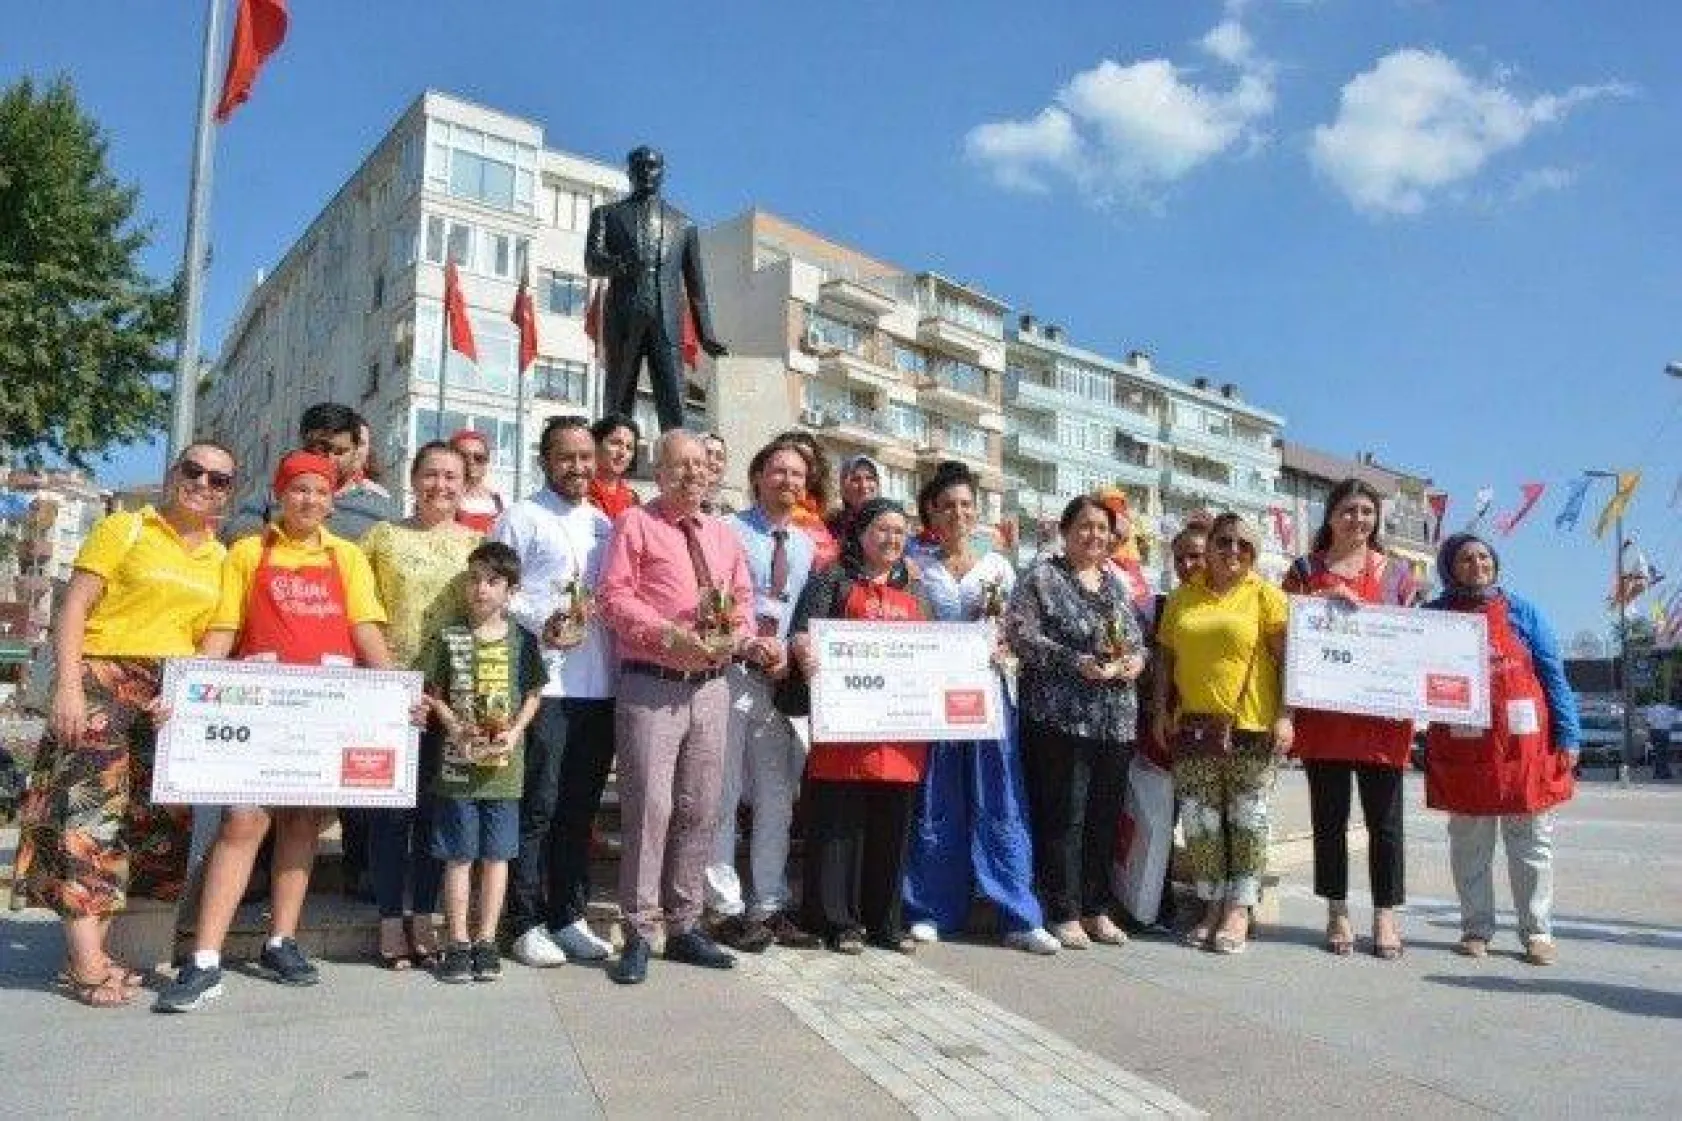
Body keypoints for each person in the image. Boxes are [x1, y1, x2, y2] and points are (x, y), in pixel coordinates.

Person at [155, 451, 395, 1013]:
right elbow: (224, 629)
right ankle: (205, 958)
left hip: (321, 715)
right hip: (258, 712)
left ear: (332, 501)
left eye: (320, 491)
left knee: (302, 821)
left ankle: (281, 940)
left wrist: (398, 692)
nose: (310, 500)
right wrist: (185, 689)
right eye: (299, 489)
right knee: (243, 822)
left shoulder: (347, 557)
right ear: (280, 494)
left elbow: (365, 629)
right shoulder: (247, 552)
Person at [15, 443, 237, 1007]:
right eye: (194, 471)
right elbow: (74, 608)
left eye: (218, 480)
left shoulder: (222, 559)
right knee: (85, 818)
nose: (204, 484)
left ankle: (91, 953)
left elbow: (218, 638)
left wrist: (184, 693)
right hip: (100, 679)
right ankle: (88, 964)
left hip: (167, 695)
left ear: (228, 493)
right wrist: (68, 687)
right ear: (174, 473)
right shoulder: (125, 528)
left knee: (147, 826)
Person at [597, 429, 758, 985]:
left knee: (700, 807)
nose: (693, 474)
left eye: (701, 465)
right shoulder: (635, 524)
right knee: (650, 808)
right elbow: (614, 597)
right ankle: (640, 930)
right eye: (680, 465)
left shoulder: (723, 535)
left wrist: (738, 635)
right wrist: (669, 636)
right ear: (659, 473)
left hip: (711, 686)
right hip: (653, 682)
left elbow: (743, 600)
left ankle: (685, 924)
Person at [901, 462, 1058, 955]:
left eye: (966, 505)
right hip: (935, 698)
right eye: (947, 505)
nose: (957, 514)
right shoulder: (915, 569)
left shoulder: (999, 568)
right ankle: (929, 908)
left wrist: (1007, 647)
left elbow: (1016, 630)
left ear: (977, 512)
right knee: (937, 798)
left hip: (988, 697)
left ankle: (1018, 913)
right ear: (931, 512)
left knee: (1000, 797)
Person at [491, 416, 619, 967]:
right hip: (545, 686)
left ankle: (568, 915)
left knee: (579, 810)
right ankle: (524, 921)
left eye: (587, 457)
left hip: (599, 684)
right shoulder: (519, 518)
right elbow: (498, 587)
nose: (578, 467)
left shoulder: (604, 524)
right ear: (545, 459)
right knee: (538, 807)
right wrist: (541, 619)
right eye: (567, 457)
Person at [1423, 533, 1580, 966]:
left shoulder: (1524, 612)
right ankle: (1476, 929)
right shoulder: (1433, 616)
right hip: (1464, 748)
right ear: (1449, 568)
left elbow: (1554, 676)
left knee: (1531, 844)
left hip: (1525, 747)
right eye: (1466, 559)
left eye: (1484, 557)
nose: (1477, 564)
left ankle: (1537, 932)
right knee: (1469, 845)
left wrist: (1569, 736)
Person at [1282, 478, 1421, 959]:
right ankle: (1337, 911)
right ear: (1330, 515)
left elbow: (1415, 638)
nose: (1357, 519)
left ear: (1376, 518)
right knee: (1329, 820)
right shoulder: (1305, 570)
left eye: (1366, 511)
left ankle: (1385, 914)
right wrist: (1318, 610)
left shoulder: (1398, 574)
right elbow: (1284, 635)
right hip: (1325, 719)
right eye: (1347, 510)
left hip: (1383, 720)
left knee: (1386, 824)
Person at [789, 498, 931, 953]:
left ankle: (884, 922)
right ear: (861, 534)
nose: (892, 538)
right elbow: (801, 630)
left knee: (892, 828)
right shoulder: (832, 579)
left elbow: (936, 649)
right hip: (844, 730)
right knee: (839, 825)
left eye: (900, 531)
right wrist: (803, 647)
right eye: (882, 529)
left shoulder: (917, 590)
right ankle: (837, 922)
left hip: (899, 732)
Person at [360, 441, 481, 968]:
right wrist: (390, 678)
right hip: (391, 690)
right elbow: (360, 611)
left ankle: (425, 915)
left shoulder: (477, 545)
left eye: (452, 477)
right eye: (431, 474)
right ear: (413, 479)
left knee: (437, 812)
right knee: (391, 814)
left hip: (452, 698)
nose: (441, 485)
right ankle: (390, 918)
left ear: (465, 485)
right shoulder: (381, 537)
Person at [1007, 496, 1148, 949]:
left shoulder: (1115, 583)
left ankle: (1095, 907)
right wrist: (1075, 661)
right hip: (1060, 718)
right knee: (1064, 816)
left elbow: (1137, 640)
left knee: (1104, 818)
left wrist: (1137, 661)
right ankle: (1062, 909)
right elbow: (1021, 635)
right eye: (1085, 526)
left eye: (1102, 528)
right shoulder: (1042, 578)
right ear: (1065, 531)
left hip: (1115, 719)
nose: (1094, 535)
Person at [1152, 511, 1292, 956]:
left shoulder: (1265, 595)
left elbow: (1289, 662)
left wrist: (1286, 716)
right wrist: (1161, 710)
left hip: (1250, 725)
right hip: (1193, 727)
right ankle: (1211, 905)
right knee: (1200, 823)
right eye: (1224, 541)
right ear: (1209, 546)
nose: (1233, 550)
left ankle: (1238, 909)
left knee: (1247, 822)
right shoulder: (1182, 597)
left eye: (1243, 544)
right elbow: (1165, 657)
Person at [704, 440, 817, 951]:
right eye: (779, 471)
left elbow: (803, 614)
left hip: (778, 682)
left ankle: (769, 904)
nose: (788, 481)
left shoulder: (806, 546)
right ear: (757, 477)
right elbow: (716, 599)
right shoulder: (726, 531)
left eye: (798, 474)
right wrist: (748, 643)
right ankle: (724, 905)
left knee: (777, 796)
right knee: (723, 792)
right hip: (729, 672)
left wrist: (791, 654)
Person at [420, 542, 548, 983]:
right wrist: (454, 727)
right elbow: (433, 692)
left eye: (492, 581)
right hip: (457, 770)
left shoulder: (522, 640)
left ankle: (487, 940)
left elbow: (533, 693)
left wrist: (515, 731)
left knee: (497, 857)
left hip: (504, 772)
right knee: (458, 856)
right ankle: (458, 941)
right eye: (474, 579)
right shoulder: (448, 636)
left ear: (511, 590)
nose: (481, 589)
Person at [584, 146, 728, 431]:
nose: (647, 172)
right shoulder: (607, 215)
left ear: (662, 172)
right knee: (618, 396)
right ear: (629, 172)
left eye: (653, 166)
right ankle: (616, 452)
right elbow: (592, 262)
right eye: (640, 166)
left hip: (666, 319)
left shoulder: (684, 225)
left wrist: (706, 334)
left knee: (673, 399)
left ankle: (677, 452)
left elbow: (696, 284)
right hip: (624, 317)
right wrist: (620, 264)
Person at [222, 403, 395, 543]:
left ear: (355, 451)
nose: (330, 459)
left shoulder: (377, 509)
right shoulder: (271, 496)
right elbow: (235, 538)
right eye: (322, 448)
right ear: (304, 446)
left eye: (340, 451)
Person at [773, 429, 840, 570]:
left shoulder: (817, 512)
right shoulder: (777, 513)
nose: (804, 466)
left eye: (809, 460)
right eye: (797, 457)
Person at [588, 413, 642, 521]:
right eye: (615, 443)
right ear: (595, 444)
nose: (623, 453)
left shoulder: (632, 500)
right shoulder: (579, 493)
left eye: (629, 447)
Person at [450, 429, 505, 534]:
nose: (471, 462)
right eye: (463, 457)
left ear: (487, 461)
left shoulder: (499, 501)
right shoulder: (443, 498)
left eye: (478, 458)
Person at [825, 454, 881, 542]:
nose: (863, 486)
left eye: (869, 478)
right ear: (844, 486)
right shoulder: (833, 524)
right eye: (856, 479)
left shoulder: (890, 519)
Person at [700, 432, 734, 516]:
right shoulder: (682, 500)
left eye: (719, 457)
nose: (712, 461)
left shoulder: (734, 502)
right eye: (706, 454)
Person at [1644, 699, 1676, 780]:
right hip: (1665, 733)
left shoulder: (1652, 709)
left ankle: (1659, 772)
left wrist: (1648, 736)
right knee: (1663, 753)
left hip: (1655, 732)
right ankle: (1663, 772)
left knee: (1657, 753)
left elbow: (1649, 723)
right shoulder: (1671, 709)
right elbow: (1673, 721)